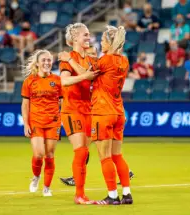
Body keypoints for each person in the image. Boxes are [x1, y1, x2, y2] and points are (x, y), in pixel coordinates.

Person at [59, 46, 135, 187]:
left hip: (100, 113)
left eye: (94, 53)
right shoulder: (96, 70)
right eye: (90, 54)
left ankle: (119, 179)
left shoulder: (99, 69)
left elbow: (108, 90)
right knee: (91, 149)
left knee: (99, 150)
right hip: (94, 111)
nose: (93, 56)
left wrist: (69, 60)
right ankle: (124, 174)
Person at [58, 23, 99, 204]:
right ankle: (79, 195)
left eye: (89, 35)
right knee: (81, 151)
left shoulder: (88, 60)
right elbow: (65, 82)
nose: (88, 38)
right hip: (72, 109)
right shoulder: (68, 58)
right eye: (85, 35)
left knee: (85, 153)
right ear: (75, 38)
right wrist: (84, 76)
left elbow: (91, 76)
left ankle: (81, 193)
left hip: (88, 110)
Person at [91, 25, 132, 205]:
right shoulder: (124, 61)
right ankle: (127, 194)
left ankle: (113, 196)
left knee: (105, 157)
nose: (100, 43)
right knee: (117, 155)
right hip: (118, 111)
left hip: (103, 111)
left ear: (109, 42)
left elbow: (88, 74)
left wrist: (70, 58)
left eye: (102, 41)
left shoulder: (105, 60)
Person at [21, 49, 61, 197]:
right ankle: (36, 177)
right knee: (38, 154)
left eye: (49, 60)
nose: (46, 62)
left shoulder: (57, 80)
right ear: (37, 63)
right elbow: (25, 105)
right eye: (43, 60)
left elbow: (64, 102)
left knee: (49, 154)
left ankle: (46, 188)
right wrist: (26, 124)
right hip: (36, 121)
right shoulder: (29, 81)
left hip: (53, 122)